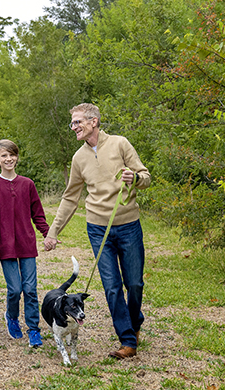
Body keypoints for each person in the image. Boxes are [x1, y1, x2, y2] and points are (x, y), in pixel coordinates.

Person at [44, 103, 151, 359]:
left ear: (94, 121)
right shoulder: (78, 158)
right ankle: (128, 341)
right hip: (98, 229)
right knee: (112, 287)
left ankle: (134, 322)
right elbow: (70, 198)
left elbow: (145, 176)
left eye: (77, 122)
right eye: (72, 123)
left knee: (134, 284)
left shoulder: (119, 144)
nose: (74, 127)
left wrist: (134, 179)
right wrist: (53, 231)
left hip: (128, 225)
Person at [0, 139, 49, 348]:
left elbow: (37, 213)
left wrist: (47, 234)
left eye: (12, 154)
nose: (9, 158)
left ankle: (34, 329)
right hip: (5, 246)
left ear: (17, 157)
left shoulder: (27, 184)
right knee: (15, 289)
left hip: (26, 243)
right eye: (4, 155)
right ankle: (11, 317)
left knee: (30, 289)